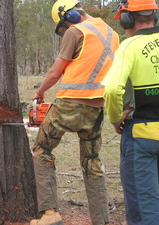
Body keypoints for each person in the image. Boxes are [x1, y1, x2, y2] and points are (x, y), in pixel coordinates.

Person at [30, 0, 119, 224]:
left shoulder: (77, 31)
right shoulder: (112, 34)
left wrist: (40, 93)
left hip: (69, 104)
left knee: (42, 150)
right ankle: (101, 220)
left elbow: (55, 71)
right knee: (92, 160)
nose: (65, 30)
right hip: (96, 108)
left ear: (69, 16)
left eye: (64, 25)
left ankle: (50, 214)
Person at [102, 0, 159, 224]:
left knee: (145, 209)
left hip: (141, 136)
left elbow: (113, 88)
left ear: (127, 18)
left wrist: (116, 118)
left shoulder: (129, 46)